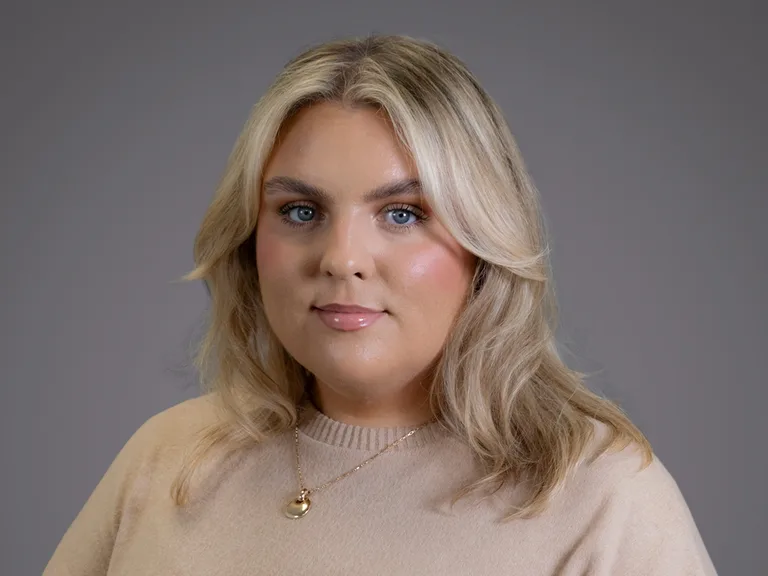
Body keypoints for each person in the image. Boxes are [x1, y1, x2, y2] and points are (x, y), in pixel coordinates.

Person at [44, 34, 717, 575]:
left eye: (401, 213)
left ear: (485, 240)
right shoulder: (167, 459)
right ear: (251, 239)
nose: (341, 257)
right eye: (300, 210)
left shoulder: (600, 497)